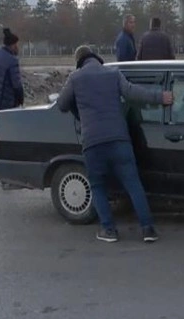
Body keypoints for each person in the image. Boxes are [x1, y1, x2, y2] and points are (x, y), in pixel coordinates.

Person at [57, 45, 174, 243]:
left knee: (98, 185)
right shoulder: (112, 73)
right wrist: (160, 97)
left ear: (79, 61)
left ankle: (109, 230)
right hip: (119, 139)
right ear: (96, 57)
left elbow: (61, 104)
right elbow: (132, 93)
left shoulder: (75, 79)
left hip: (93, 142)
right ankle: (148, 229)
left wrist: (80, 114)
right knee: (133, 183)